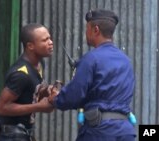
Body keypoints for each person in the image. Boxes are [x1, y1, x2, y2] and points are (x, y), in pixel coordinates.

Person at [47, 9, 136, 141]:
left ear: (95, 30)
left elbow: (74, 95)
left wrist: (55, 99)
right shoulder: (126, 61)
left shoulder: (91, 59)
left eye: (87, 28)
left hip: (100, 132)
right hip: (125, 131)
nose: (85, 33)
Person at [0, 23, 54, 141]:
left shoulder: (40, 64)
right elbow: (2, 107)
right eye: (45, 40)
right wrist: (38, 107)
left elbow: (28, 94)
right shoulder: (21, 74)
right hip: (9, 135)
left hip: (23, 132)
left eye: (50, 38)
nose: (50, 42)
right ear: (30, 46)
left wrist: (46, 92)